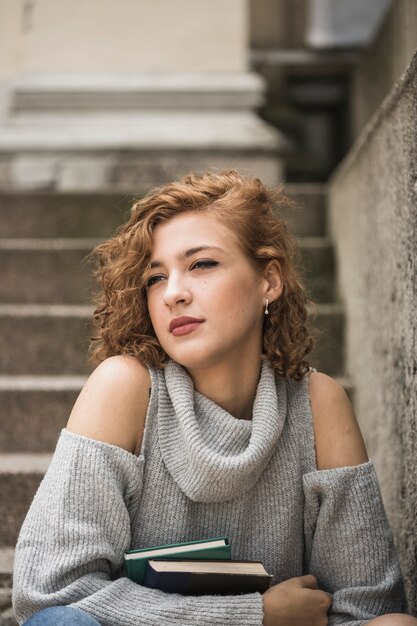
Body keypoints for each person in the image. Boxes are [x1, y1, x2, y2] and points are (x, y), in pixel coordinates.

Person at [12, 170, 416, 626]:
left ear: (270, 280)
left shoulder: (318, 404)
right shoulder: (124, 388)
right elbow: (48, 589)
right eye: (155, 278)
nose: (174, 294)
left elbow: (366, 606)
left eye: (202, 264)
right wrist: (251, 615)